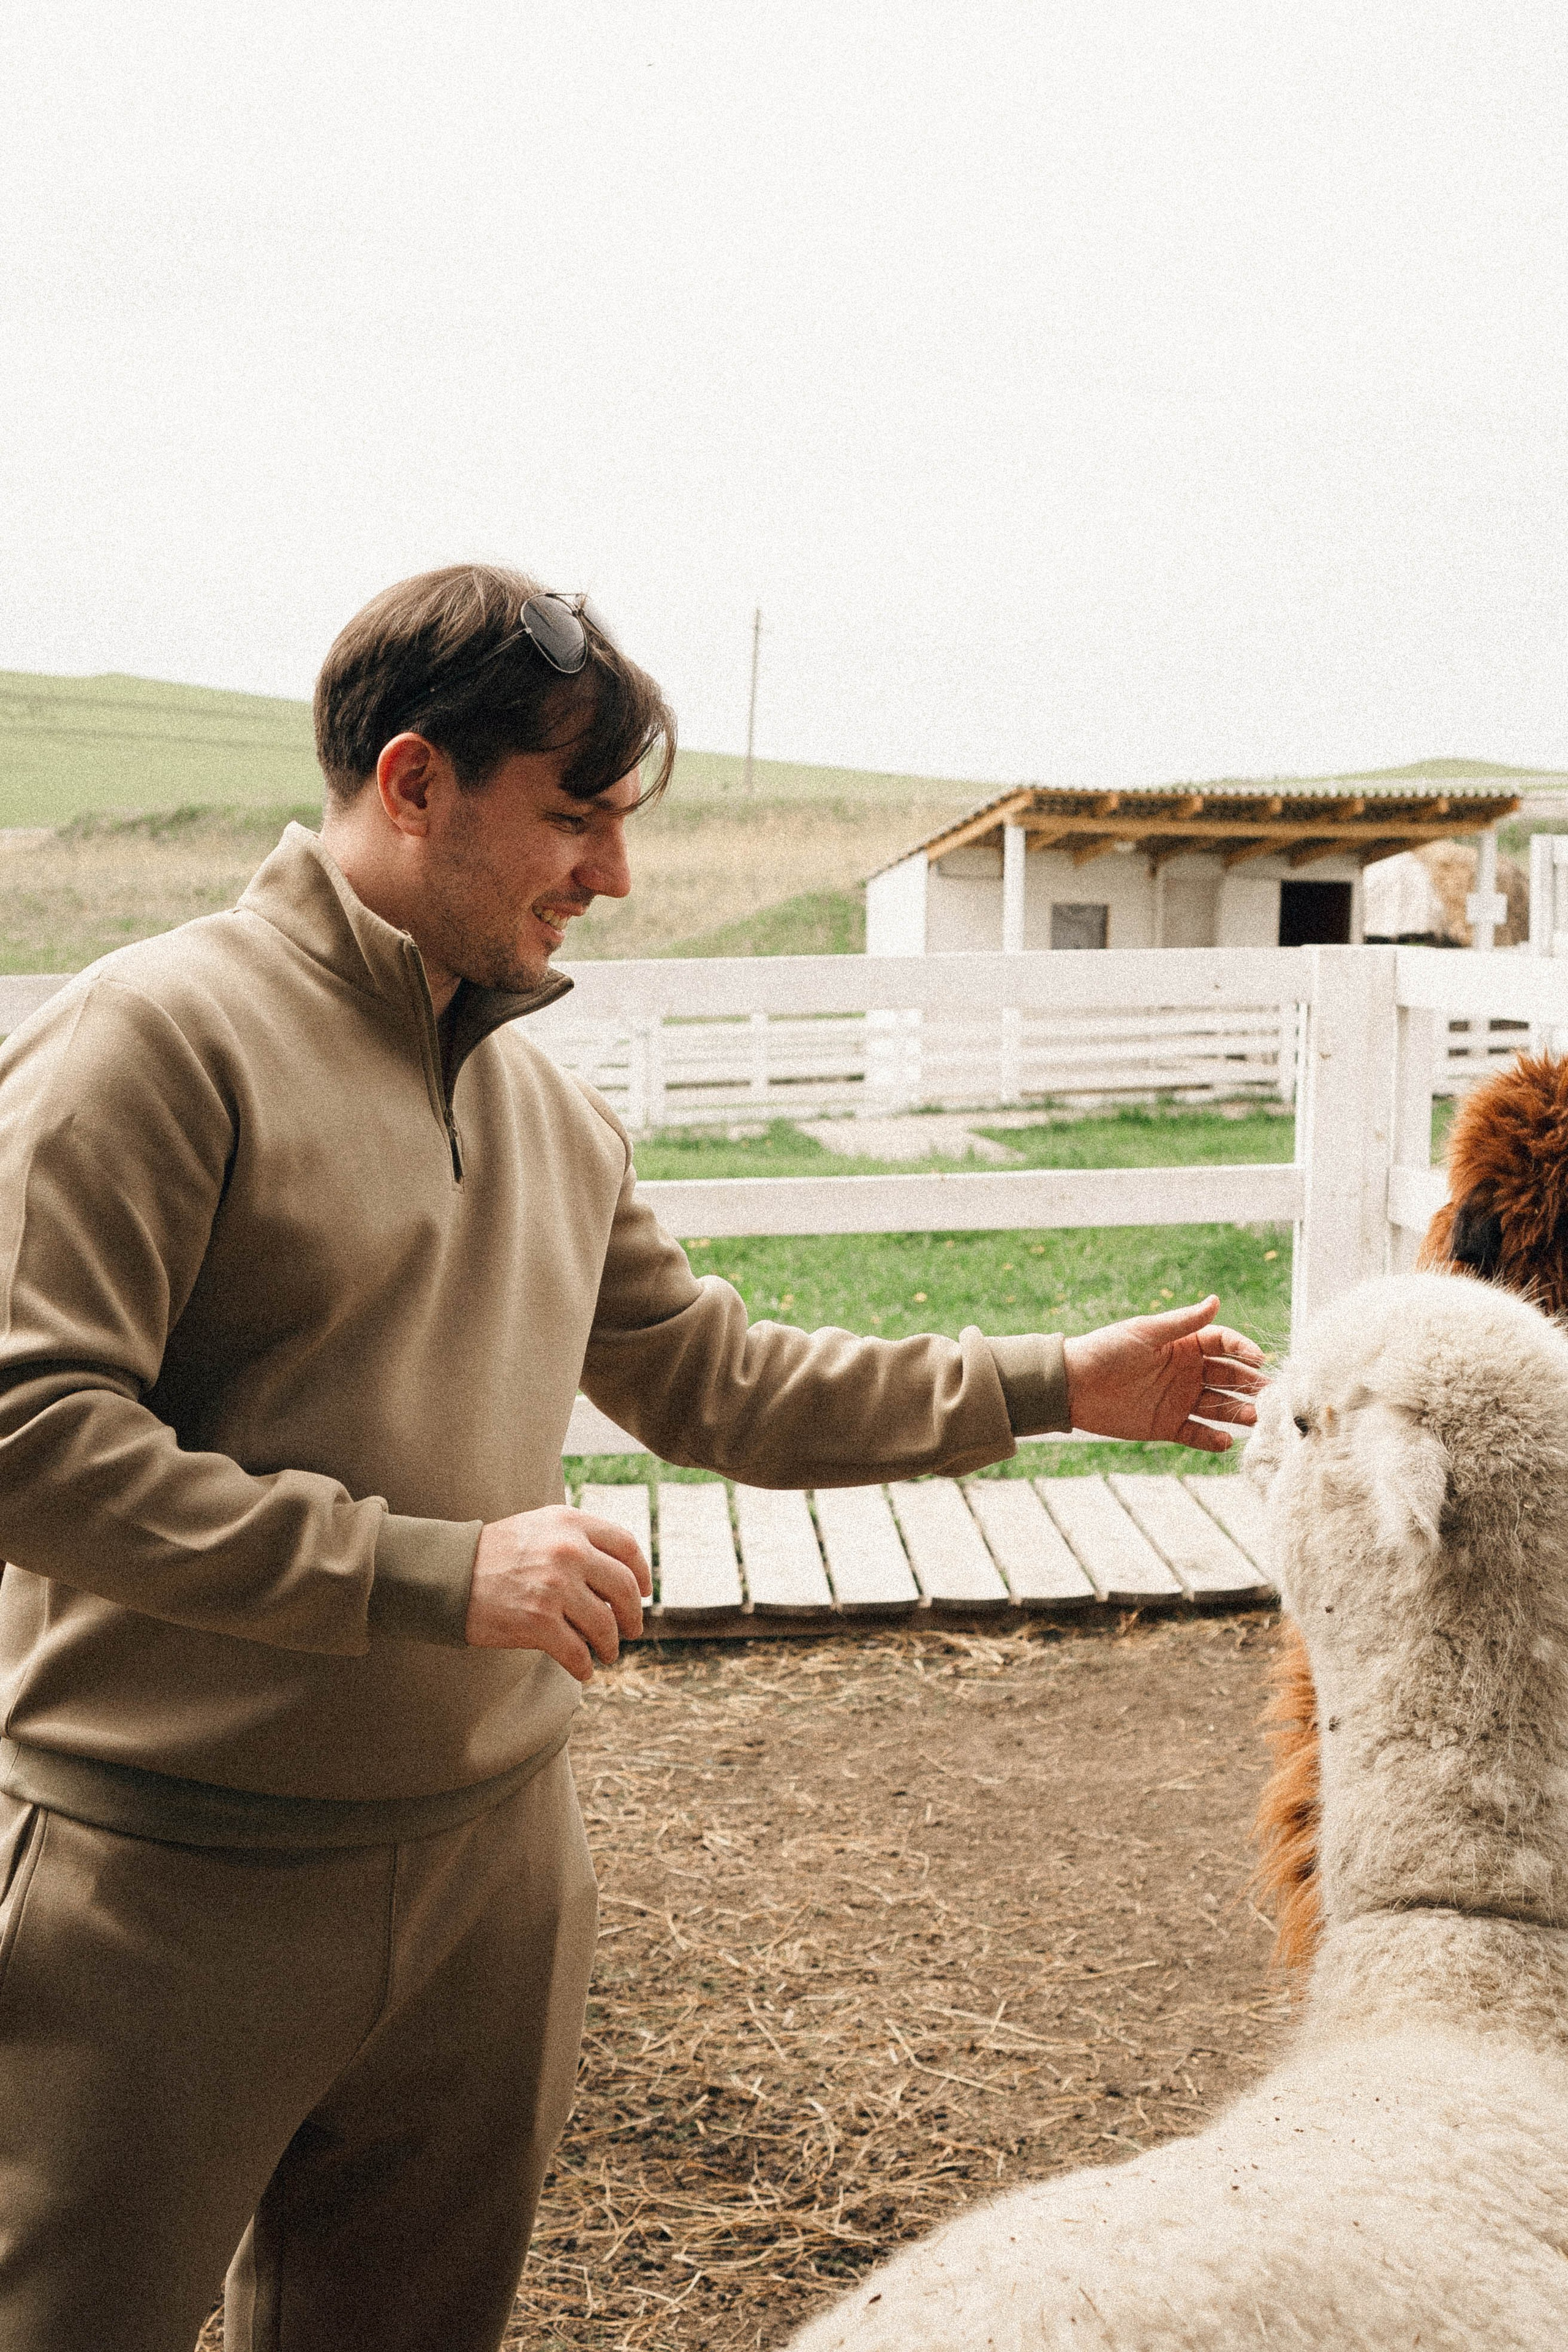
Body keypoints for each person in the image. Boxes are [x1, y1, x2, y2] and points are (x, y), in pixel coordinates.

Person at [0, 564, 1265, 2352]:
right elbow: (31, 1441)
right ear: (416, 779)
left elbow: (721, 1382)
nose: (612, 874)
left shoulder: (549, 1110)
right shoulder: (151, 1039)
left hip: (491, 1886)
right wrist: (441, 1569)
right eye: (575, 816)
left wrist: (1054, 1379)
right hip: (166, 1886)